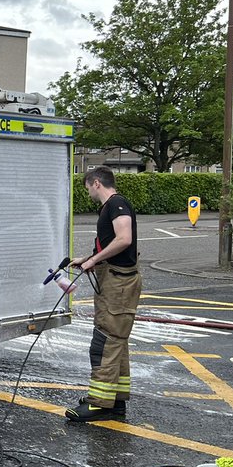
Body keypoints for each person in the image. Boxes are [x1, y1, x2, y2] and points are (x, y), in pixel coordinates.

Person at [65, 166, 141, 423]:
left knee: (105, 343)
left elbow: (124, 239)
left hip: (118, 285)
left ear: (96, 183)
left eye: (87, 187)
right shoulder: (112, 207)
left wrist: (94, 260)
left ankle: (99, 405)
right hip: (115, 280)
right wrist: (86, 260)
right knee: (116, 342)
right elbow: (113, 245)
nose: (87, 192)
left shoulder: (116, 204)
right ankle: (115, 401)